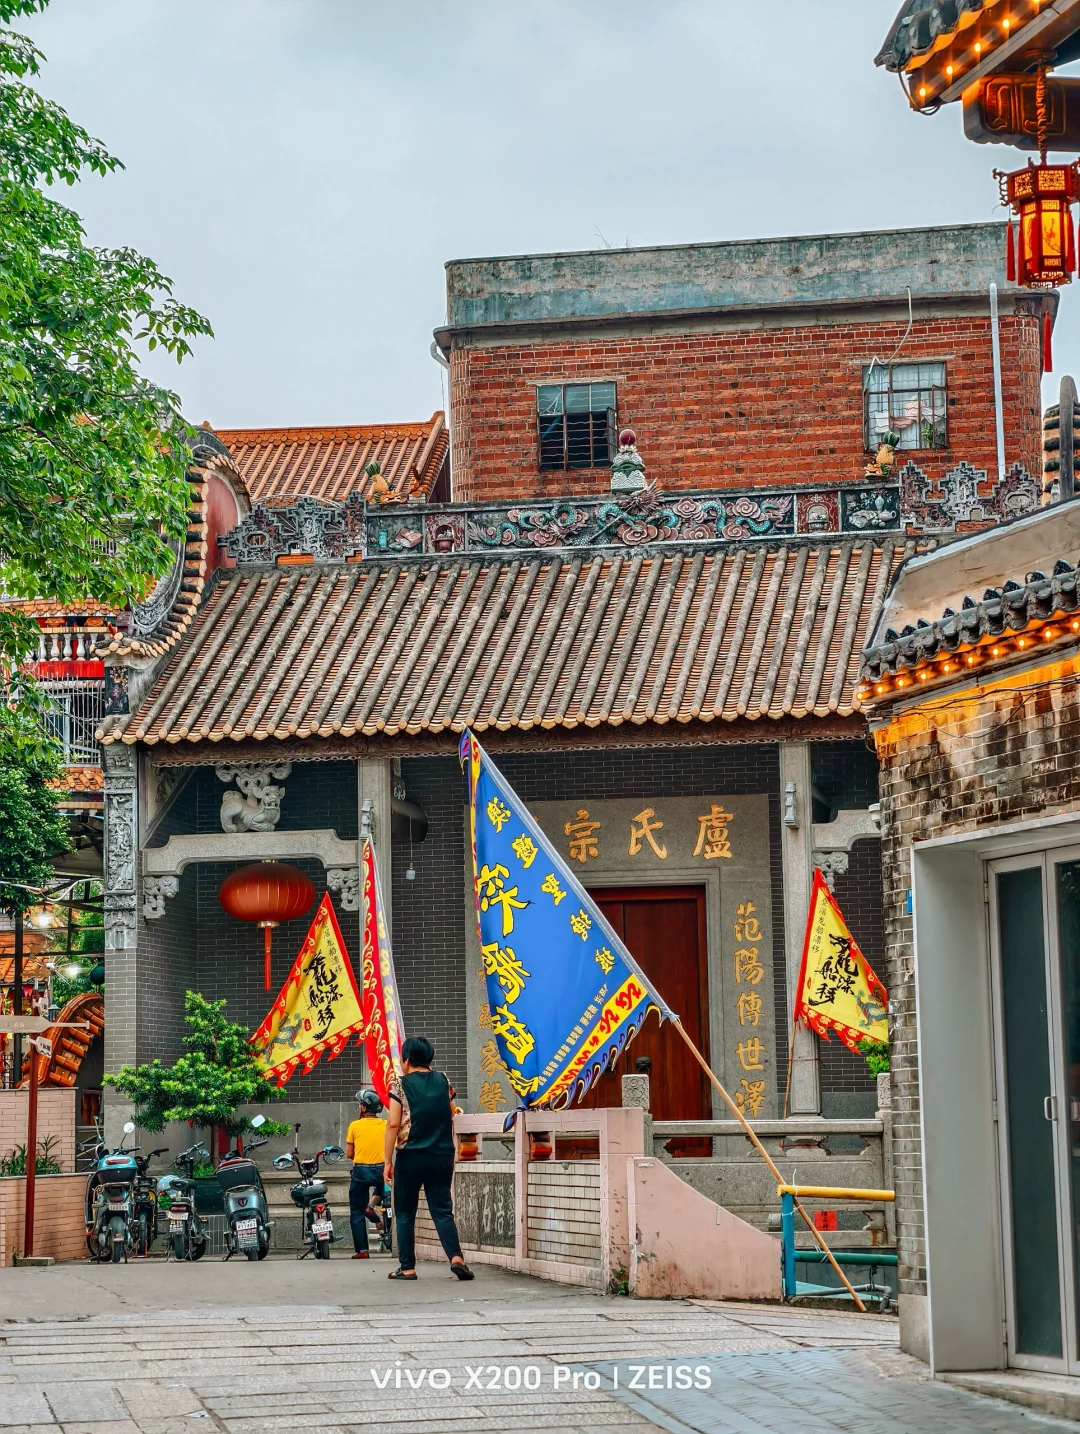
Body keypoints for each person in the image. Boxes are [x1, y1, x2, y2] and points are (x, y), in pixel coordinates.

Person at [384, 1034, 473, 1282]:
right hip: (441, 1155)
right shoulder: (443, 1080)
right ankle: (456, 1258)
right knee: (442, 1210)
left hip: (410, 1156)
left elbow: (393, 1124)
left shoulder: (400, 1085)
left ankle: (407, 1267)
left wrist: (387, 1160)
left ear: (407, 1059)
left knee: (405, 1212)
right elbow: (452, 1112)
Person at [346, 1088, 387, 1259]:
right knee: (386, 1192)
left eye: (360, 1104)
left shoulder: (354, 1125)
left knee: (356, 1211)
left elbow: (349, 1154)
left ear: (364, 1107)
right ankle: (373, 1208)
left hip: (361, 1171)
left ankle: (362, 1250)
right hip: (382, 1170)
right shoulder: (385, 1124)